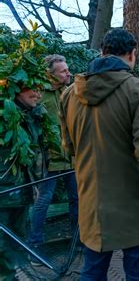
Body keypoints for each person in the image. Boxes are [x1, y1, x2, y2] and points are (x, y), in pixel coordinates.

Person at [59, 28, 139, 280]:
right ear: (133, 55)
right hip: (134, 204)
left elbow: (67, 147)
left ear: (102, 52)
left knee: (92, 272)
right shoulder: (138, 90)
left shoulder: (69, 94)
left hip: (91, 204)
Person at [28, 55, 79, 257]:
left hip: (73, 158)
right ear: (50, 73)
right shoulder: (38, 94)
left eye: (67, 69)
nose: (68, 73)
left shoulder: (71, 92)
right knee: (43, 201)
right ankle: (35, 246)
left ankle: (79, 241)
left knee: (77, 199)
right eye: (63, 71)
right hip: (49, 160)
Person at [0, 87, 49, 280]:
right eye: (33, 90)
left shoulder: (30, 116)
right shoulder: (5, 112)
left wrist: (34, 184)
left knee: (16, 239)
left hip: (21, 191)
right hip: (4, 193)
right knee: (2, 244)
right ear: (16, 89)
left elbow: (31, 155)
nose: (38, 94)